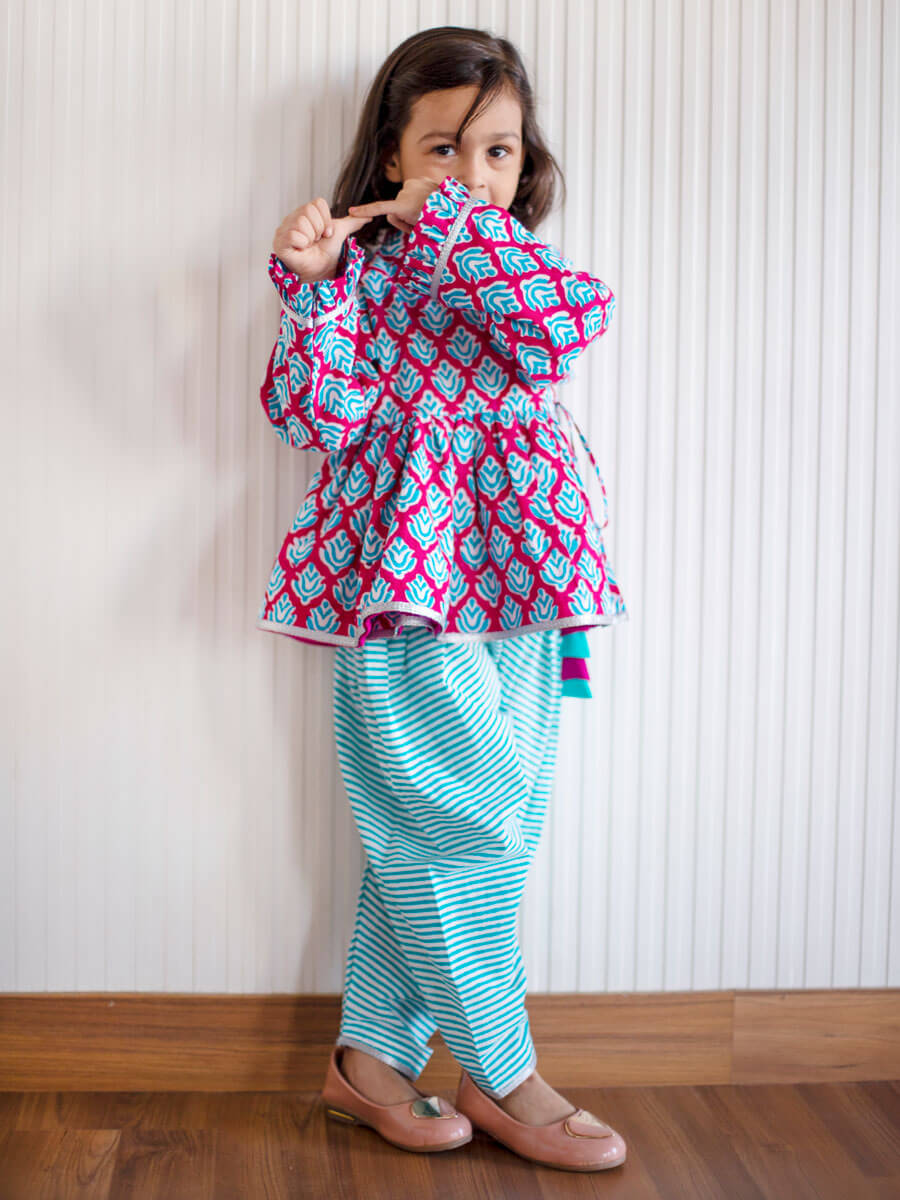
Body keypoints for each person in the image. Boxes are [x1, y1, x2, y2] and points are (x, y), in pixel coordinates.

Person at [257, 26, 629, 1173]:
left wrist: (462, 227)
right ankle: (501, 1068)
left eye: (497, 153)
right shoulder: (362, 279)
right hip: (406, 585)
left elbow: (572, 321)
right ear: (389, 156)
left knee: (486, 820)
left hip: (531, 575)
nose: (471, 176)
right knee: (461, 813)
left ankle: (369, 1060)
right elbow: (311, 414)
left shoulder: (515, 272)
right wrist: (314, 289)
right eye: (443, 151)